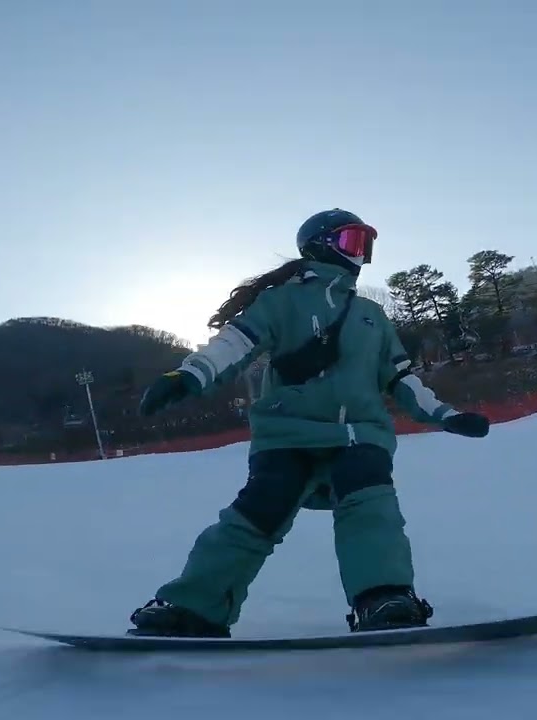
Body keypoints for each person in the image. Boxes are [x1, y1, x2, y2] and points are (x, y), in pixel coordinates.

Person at [127, 208, 491, 638]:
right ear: (320, 244)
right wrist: (188, 375)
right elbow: (234, 342)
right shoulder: (283, 301)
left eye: (366, 245)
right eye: (352, 242)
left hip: (359, 435)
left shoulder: (371, 315)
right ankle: (193, 608)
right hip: (288, 434)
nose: (360, 254)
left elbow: (400, 377)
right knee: (253, 516)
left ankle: (383, 598)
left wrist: (446, 415)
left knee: (370, 508)